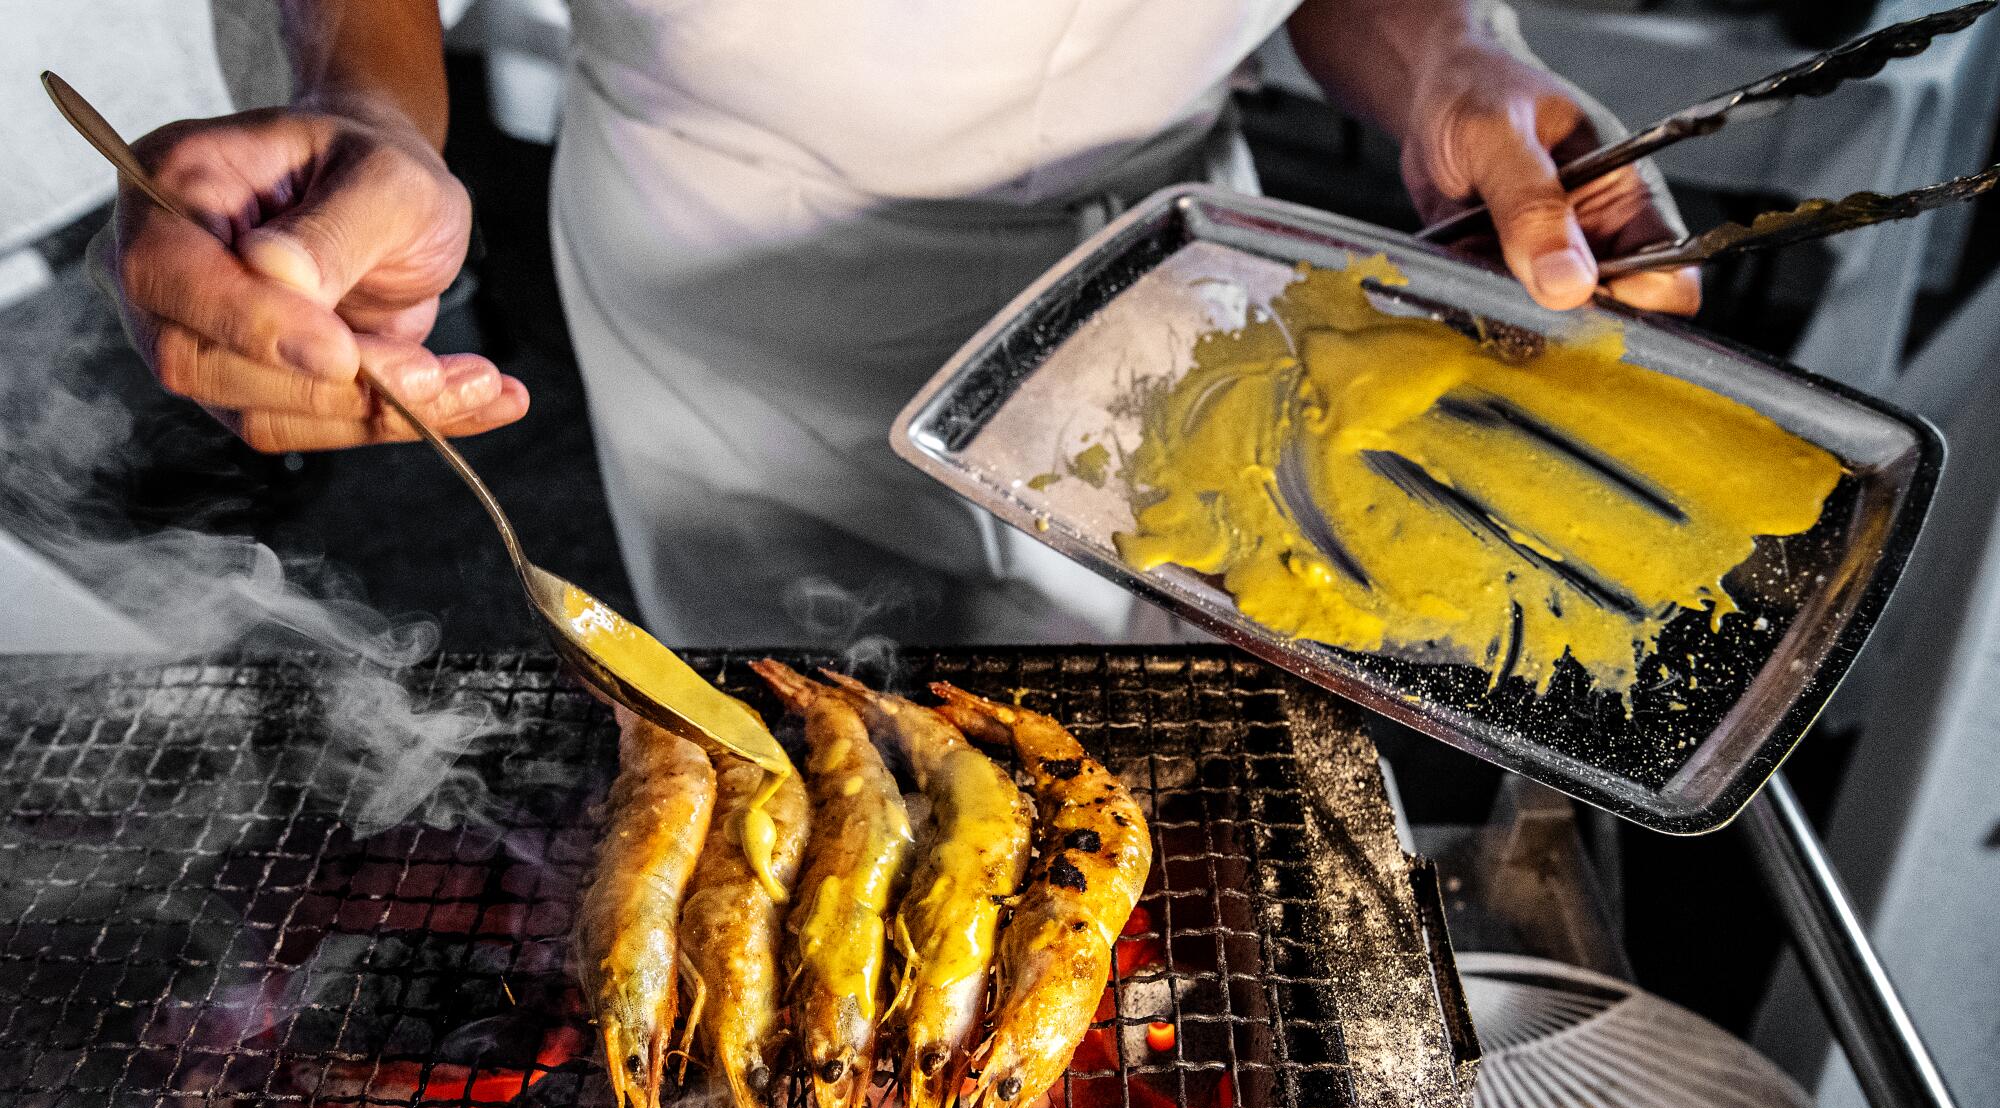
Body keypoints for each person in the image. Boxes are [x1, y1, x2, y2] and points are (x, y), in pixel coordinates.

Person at [107, 0, 1699, 645]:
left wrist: (1448, 60)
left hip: (1177, 286)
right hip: (744, 277)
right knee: (814, 730)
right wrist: (363, 108)